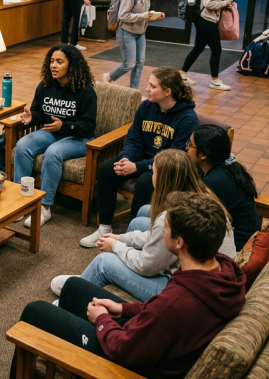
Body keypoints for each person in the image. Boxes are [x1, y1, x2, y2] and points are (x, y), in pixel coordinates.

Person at [0, 191, 246, 379]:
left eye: (165, 226)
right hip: (145, 343)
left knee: (36, 312)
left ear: (179, 242)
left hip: (127, 376)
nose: (160, 229)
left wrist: (103, 321)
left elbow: (125, 350)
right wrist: (123, 309)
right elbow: (158, 314)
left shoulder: (179, 302)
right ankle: (61, 355)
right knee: (75, 287)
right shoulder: (220, 271)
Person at [52, 149, 237, 301]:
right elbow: (156, 237)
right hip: (207, 275)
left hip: (184, 291)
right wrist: (121, 238)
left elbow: (146, 266)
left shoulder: (172, 216)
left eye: (154, 172)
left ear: (164, 179)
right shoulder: (201, 195)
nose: (151, 176)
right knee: (141, 217)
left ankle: (75, 294)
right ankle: (92, 278)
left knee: (103, 262)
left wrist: (116, 246)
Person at [80, 66, 199, 248]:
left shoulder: (187, 118)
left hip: (165, 168)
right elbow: (133, 138)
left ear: (167, 92)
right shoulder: (146, 107)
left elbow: (175, 158)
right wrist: (126, 159)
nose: (147, 89)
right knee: (106, 168)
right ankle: (104, 228)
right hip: (139, 160)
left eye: (152, 86)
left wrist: (138, 167)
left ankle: (132, 236)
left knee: (145, 182)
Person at [13, 44, 97, 227]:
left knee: (53, 153)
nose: (54, 66)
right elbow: (38, 113)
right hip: (52, 133)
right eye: (52, 61)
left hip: (79, 139)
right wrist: (31, 117)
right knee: (22, 145)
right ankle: (21, 201)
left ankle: (44, 206)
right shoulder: (45, 86)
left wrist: (64, 125)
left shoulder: (86, 91)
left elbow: (89, 126)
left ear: (71, 65)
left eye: (59, 62)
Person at [187, 125, 259, 250]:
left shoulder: (215, 181)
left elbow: (195, 219)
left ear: (204, 154)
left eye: (190, 144)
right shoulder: (220, 167)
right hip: (223, 236)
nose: (187, 147)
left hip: (234, 247)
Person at [180, 0, 238, 91]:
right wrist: (225, 3)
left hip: (203, 19)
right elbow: (209, 3)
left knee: (199, 47)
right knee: (217, 50)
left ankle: (182, 74)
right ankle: (215, 81)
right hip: (207, 20)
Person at [103, 0, 163, 90]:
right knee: (129, 64)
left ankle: (133, 92)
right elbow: (123, 16)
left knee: (139, 63)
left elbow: (143, 14)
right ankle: (108, 77)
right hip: (126, 32)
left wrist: (153, 16)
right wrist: (143, 16)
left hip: (140, 32)